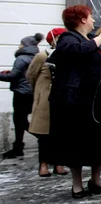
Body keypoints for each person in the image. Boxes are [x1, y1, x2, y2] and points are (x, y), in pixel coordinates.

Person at [49, 6, 101, 199]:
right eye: (89, 17)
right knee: (77, 144)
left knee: (100, 143)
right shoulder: (67, 39)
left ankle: (96, 181)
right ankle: (77, 185)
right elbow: (80, 51)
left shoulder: (92, 41)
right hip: (79, 102)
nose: (92, 20)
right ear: (81, 20)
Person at [25, 28, 68, 177]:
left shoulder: (66, 55)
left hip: (62, 98)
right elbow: (31, 75)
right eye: (59, 37)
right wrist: (39, 92)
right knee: (44, 135)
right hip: (45, 101)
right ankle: (43, 164)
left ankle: (58, 163)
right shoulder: (42, 56)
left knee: (60, 134)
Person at [1, 33, 44, 159]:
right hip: (31, 92)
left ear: (25, 45)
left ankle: (42, 139)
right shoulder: (36, 57)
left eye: (21, 43)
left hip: (21, 93)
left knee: (20, 121)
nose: (19, 45)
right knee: (21, 121)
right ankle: (18, 146)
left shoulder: (21, 58)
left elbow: (13, 76)